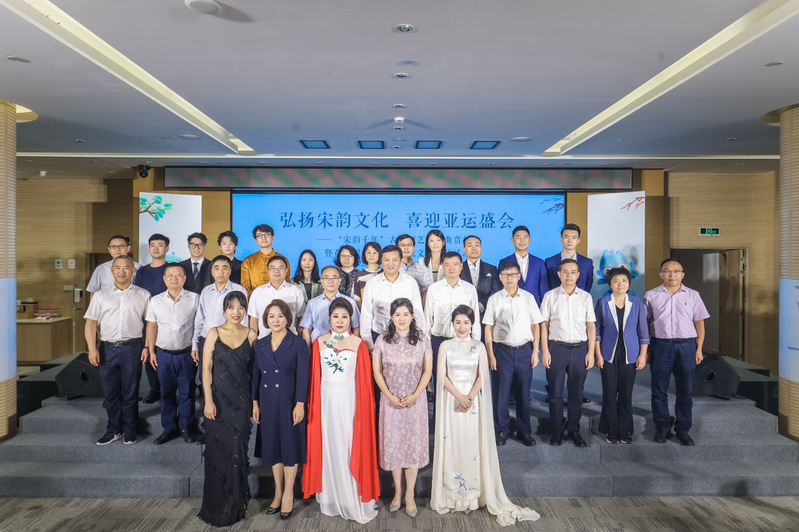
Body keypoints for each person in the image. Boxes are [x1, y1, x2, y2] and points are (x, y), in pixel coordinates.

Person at [431, 305, 540, 525]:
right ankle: (451, 497)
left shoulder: (479, 346)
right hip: (451, 401)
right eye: (458, 322)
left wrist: (469, 397)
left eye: (466, 322)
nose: (462, 327)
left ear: (472, 324)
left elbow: (483, 375)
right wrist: (459, 397)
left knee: (471, 446)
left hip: (472, 403)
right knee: (452, 445)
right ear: (452, 324)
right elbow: (441, 376)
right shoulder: (445, 346)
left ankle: (471, 498)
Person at [303, 298, 380, 523]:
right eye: (335, 316)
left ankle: (351, 498)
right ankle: (330, 497)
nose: (339, 320)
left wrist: (362, 408)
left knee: (348, 444)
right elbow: (314, 379)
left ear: (350, 319)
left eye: (344, 317)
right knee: (329, 444)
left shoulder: (358, 343)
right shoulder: (319, 342)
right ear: (329, 319)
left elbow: (364, 382)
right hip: (325, 401)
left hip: (350, 401)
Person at [198, 291, 258, 526]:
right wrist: (208, 400)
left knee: (237, 452)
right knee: (218, 454)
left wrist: (254, 402)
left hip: (241, 404)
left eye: (241, 307)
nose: (236, 312)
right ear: (224, 310)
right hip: (217, 403)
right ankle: (218, 506)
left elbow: (254, 373)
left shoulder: (251, 334)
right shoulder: (213, 333)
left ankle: (237, 503)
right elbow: (206, 369)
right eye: (231, 307)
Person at [372, 298, 432, 518]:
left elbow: (427, 371)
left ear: (412, 316)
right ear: (391, 317)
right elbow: (377, 372)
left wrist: (415, 395)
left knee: (412, 446)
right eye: (397, 314)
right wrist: (389, 396)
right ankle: (398, 492)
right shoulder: (382, 340)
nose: (401, 318)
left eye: (406, 314)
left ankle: (410, 494)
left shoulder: (422, 340)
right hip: (390, 402)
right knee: (395, 446)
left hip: (415, 402)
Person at [84, 255, 150, 445]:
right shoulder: (100, 295)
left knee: (130, 391)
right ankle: (114, 430)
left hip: (133, 348)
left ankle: (129, 430)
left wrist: (147, 346)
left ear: (133, 271)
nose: (122, 271)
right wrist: (91, 349)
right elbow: (90, 323)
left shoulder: (143, 295)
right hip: (107, 349)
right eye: (118, 268)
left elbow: (150, 324)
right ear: (112, 271)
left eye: (126, 268)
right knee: (111, 393)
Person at [252, 299, 309, 520]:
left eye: (280, 316)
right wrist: (255, 402)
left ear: (288, 318)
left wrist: (300, 403)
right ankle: (277, 491)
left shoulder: (298, 344)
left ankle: (288, 494)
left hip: (289, 401)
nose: (276, 320)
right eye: (271, 316)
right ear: (266, 320)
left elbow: (303, 376)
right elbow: (256, 376)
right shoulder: (260, 344)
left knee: (289, 447)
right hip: (267, 400)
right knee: (272, 447)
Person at [645, 258, 710, 446]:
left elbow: (699, 323)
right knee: (658, 389)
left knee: (685, 390)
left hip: (687, 347)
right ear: (661, 274)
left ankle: (683, 429)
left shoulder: (693, 295)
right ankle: (662, 426)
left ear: (683, 274)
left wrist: (699, 349)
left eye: (676, 271)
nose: (672, 274)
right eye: (667, 271)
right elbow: (645, 324)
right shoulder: (651, 295)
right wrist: (646, 350)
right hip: (661, 346)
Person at [482, 261, 543, 447]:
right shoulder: (494, 299)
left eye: (513, 274)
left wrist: (535, 351)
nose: (509, 278)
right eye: (505, 275)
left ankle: (525, 431)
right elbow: (488, 328)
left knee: (523, 394)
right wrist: (491, 355)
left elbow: (536, 325)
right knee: (501, 394)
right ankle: (502, 430)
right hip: (502, 352)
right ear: (500, 277)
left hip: (525, 350)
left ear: (519, 276)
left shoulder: (528, 298)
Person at [540, 258, 596, 447]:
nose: (569, 275)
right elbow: (544, 324)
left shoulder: (585, 297)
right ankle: (556, 430)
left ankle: (574, 429)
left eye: (573, 272)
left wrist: (590, 352)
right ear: (559, 274)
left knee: (576, 394)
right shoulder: (550, 296)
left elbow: (590, 325)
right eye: (565, 271)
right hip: (557, 348)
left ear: (578, 275)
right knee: (555, 393)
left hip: (580, 349)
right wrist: (545, 350)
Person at [144, 263, 200, 445]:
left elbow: (198, 326)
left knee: (187, 393)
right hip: (163, 355)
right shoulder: (155, 301)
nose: (174, 279)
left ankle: (186, 427)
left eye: (178, 275)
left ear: (184, 278)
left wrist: (196, 348)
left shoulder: (195, 298)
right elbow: (152, 326)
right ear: (164, 279)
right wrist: (151, 351)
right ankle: (169, 428)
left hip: (186, 354)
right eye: (170, 275)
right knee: (166, 393)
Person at [594, 267, 649, 444]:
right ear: (610, 284)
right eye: (616, 281)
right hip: (608, 354)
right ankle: (611, 430)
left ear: (629, 283)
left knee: (626, 394)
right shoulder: (603, 302)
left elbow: (643, 331)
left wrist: (642, 355)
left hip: (630, 354)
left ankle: (624, 430)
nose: (620, 284)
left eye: (624, 281)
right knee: (609, 395)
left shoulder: (637, 303)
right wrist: (598, 355)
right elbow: (597, 331)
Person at [425, 251, 480, 390]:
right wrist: (427, 346)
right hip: (439, 341)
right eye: (447, 265)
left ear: (461, 266)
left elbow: (475, 320)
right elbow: (427, 319)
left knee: (462, 380)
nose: (451, 268)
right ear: (442, 266)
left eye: (455, 264)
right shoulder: (434, 289)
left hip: (463, 341)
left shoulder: (469, 289)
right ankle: (439, 405)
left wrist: (476, 343)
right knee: (440, 380)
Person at [360, 245, 425, 349]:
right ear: (381, 261)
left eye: (394, 260)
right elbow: (366, 314)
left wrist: (421, 339)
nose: (390, 263)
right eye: (386, 260)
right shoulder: (372, 283)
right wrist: (369, 344)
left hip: (406, 337)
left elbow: (418, 312)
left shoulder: (410, 282)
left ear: (400, 261)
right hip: (379, 335)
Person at [192, 256, 247, 371]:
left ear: (230, 271)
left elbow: (244, 320)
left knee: (227, 376)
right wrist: (195, 344)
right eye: (217, 268)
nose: (220, 272)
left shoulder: (239, 290)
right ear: (212, 272)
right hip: (206, 340)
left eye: (224, 268)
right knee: (205, 374)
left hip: (230, 342)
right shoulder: (206, 291)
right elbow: (200, 320)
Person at [134, 233, 170, 404]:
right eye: (152, 245)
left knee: (165, 356)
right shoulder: (142, 271)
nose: (156, 248)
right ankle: (154, 389)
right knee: (149, 355)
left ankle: (167, 390)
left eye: (160, 245)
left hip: (168, 320)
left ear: (167, 248)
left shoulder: (172, 270)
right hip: (147, 320)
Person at [299, 265, 360, 346]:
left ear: (339, 281)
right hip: (318, 346)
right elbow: (306, 329)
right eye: (327, 278)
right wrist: (308, 350)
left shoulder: (350, 302)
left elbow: (356, 327)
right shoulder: (312, 303)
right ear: (321, 281)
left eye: (334, 278)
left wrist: (353, 347)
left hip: (344, 346)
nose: (330, 281)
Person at [248, 255, 306, 338]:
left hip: (290, 340)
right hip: (264, 340)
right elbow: (254, 319)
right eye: (273, 268)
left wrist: (299, 340)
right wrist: (253, 341)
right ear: (268, 270)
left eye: (280, 267)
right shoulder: (258, 292)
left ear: (286, 270)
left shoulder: (295, 291)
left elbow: (301, 318)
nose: (277, 271)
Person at [500, 225, 548, 306]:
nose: (522, 241)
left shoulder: (539, 262)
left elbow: (543, 288)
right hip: (510, 304)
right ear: (512, 240)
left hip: (534, 305)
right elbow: (501, 286)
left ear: (529, 240)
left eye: (525, 237)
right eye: (518, 237)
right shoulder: (504, 261)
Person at [240, 224, 290, 296]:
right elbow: (245, 286)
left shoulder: (283, 259)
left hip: (279, 298)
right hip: (255, 299)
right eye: (260, 235)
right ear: (256, 240)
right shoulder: (248, 261)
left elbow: (286, 282)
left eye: (267, 234)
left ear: (273, 238)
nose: (263, 237)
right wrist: (256, 298)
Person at [544, 223, 595, 293]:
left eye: (574, 237)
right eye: (566, 237)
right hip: (555, 298)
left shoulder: (587, 263)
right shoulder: (549, 262)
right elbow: (547, 285)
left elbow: (588, 286)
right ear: (561, 239)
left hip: (579, 299)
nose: (570, 241)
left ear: (578, 240)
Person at [396, 234, 433, 300]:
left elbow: (427, 291)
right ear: (397, 248)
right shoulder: (392, 268)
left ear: (413, 248)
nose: (406, 248)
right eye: (402, 245)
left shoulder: (422, 269)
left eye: (409, 245)